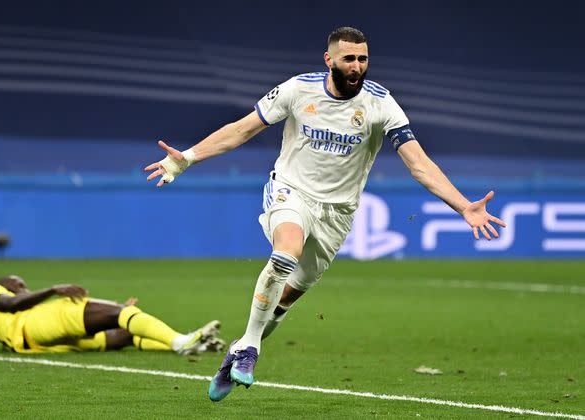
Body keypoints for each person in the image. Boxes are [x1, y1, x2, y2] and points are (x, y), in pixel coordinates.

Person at [144, 27, 506, 401]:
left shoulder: (381, 104)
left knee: (285, 299)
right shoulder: (298, 90)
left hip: (338, 213)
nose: (357, 66)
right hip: (291, 192)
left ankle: (237, 350)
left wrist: (463, 205)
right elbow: (241, 130)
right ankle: (250, 347)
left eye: (363, 59)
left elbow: (418, 164)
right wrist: (186, 159)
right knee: (286, 253)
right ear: (329, 59)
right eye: (349, 58)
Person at [0, 275, 225, 354]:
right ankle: (180, 341)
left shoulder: (5, 323)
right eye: (19, 284)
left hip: (38, 342)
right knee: (122, 313)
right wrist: (54, 289)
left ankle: (197, 347)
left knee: (126, 333)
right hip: (34, 325)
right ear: (5, 282)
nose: (24, 288)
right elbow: (13, 304)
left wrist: (111, 313)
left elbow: (17, 303)